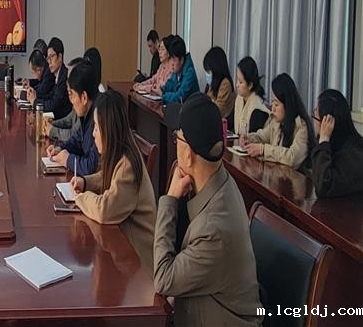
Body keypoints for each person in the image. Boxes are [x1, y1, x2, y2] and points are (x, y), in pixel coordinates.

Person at [154, 93, 262, 327]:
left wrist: (170, 199)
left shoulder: (214, 229)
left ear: (188, 154)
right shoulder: (222, 180)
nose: (175, 144)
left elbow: (163, 279)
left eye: (177, 138)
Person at [71, 90, 156, 263]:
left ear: (108, 129)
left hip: (138, 260)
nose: (93, 133)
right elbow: (107, 176)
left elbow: (105, 210)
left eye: (96, 127)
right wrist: (85, 182)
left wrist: (80, 198)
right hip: (123, 246)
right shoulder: (120, 152)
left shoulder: (127, 166)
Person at [244, 73, 314, 171]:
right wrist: (247, 138)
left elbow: (292, 158)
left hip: (295, 179)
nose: (272, 109)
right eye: (272, 103)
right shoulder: (276, 122)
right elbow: (261, 137)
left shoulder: (301, 127)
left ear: (287, 105)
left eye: (276, 104)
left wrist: (263, 149)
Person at [46, 61, 99, 175]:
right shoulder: (87, 112)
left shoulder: (100, 119)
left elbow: (91, 166)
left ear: (84, 97)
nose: (71, 102)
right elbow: (77, 139)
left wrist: (68, 160)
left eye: (72, 95)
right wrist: (60, 148)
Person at [311, 89, 363, 198]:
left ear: (327, 125)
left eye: (315, 117)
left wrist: (324, 140)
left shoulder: (352, 155)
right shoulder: (338, 143)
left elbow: (323, 187)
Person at [27, 37, 73, 119]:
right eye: (48, 58)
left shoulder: (64, 77)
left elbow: (53, 104)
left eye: (52, 56)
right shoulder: (58, 75)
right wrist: (35, 96)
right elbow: (50, 96)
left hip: (61, 121)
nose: (49, 62)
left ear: (60, 57)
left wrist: (35, 102)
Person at [46, 57, 84, 142]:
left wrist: (52, 130)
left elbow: (73, 135)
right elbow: (69, 120)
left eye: (71, 78)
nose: (67, 83)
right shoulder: (76, 96)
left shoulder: (83, 100)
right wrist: (51, 124)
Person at [233, 56, 269, 134]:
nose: (237, 85)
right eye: (237, 80)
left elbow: (254, 138)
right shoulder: (239, 98)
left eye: (240, 82)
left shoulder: (257, 109)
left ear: (250, 85)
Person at [160, 36, 199, 104]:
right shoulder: (177, 69)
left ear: (181, 60)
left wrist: (162, 95)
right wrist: (160, 89)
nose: (172, 63)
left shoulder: (190, 74)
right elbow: (169, 85)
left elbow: (179, 97)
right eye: (171, 59)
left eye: (174, 60)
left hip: (192, 109)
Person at [202, 46, 236, 123]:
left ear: (216, 69)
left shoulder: (225, 83)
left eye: (209, 71)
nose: (207, 74)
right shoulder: (211, 84)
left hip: (222, 124)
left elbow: (218, 109)